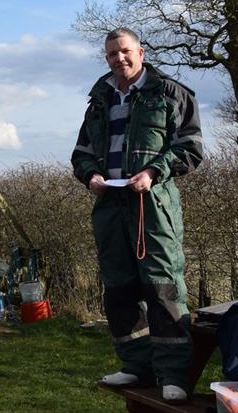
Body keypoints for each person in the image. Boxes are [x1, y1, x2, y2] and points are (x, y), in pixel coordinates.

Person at [71, 28, 203, 403]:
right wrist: (90, 176)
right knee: (119, 289)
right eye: (112, 54)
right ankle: (136, 365)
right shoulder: (98, 100)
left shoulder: (171, 93)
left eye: (125, 52)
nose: (119, 59)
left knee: (162, 287)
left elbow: (191, 148)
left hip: (153, 208)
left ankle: (173, 373)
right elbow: (80, 153)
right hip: (110, 207)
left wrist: (153, 173)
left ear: (141, 52)